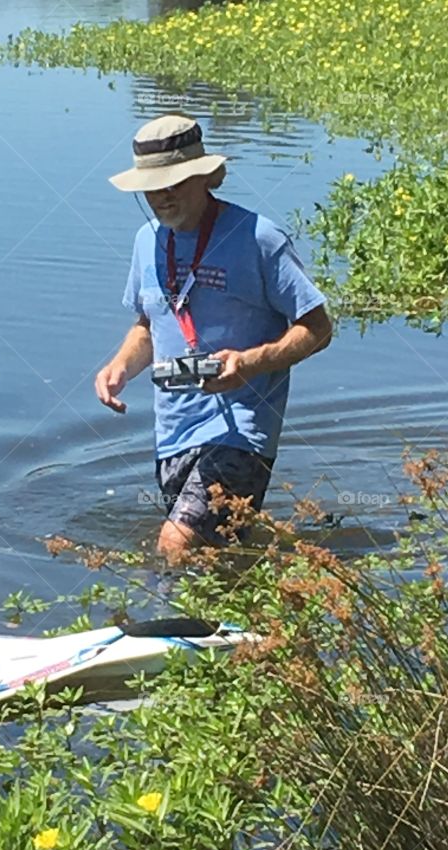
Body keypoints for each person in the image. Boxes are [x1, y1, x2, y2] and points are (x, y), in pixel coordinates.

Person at [95, 115, 332, 562]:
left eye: (174, 183)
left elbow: (318, 328)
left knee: (177, 542)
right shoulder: (147, 241)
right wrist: (119, 368)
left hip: (241, 430)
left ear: (206, 176)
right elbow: (148, 324)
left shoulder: (259, 238)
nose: (162, 197)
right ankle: (243, 617)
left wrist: (251, 363)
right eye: (153, 186)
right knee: (217, 554)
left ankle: (165, 624)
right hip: (173, 431)